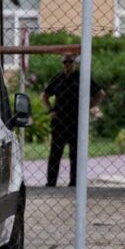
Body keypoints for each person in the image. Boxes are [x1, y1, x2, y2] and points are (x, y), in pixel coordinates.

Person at [41, 54, 104, 188]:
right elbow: (45, 95)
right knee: (55, 153)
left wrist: (89, 106)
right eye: (65, 62)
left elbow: (100, 94)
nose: (68, 65)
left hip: (76, 121)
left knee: (75, 154)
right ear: (62, 63)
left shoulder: (82, 78)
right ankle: (51, 183)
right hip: (59, 122)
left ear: (75, 63)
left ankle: (74, 183)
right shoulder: (58, 78)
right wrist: (50, 110)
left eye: (70, 62)